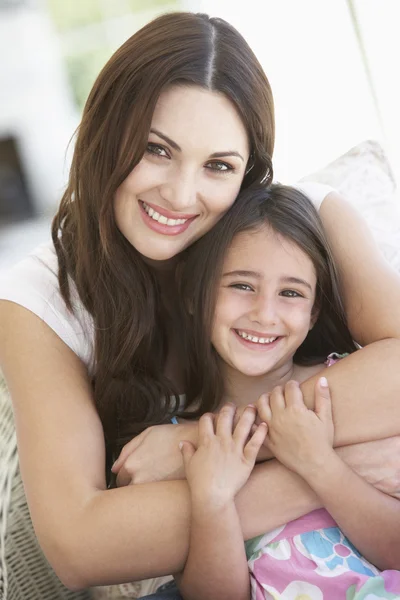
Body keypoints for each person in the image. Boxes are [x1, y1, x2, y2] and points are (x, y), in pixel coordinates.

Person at [0, 11, 400, 595]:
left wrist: (198, 441)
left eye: (219, 166)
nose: (182, 195)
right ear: (105, 134)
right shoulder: (38, 299)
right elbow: (80, 547)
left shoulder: (303, 223)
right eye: (157, 150)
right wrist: (320, 470)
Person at [173, 184, 400, 600]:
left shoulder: (351, 390)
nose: (265, 313)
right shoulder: (182, 435)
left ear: (314, 313)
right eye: (241, 285)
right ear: (194, 294)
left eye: (291, 293)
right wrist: (212, 503)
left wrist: (320, 465)